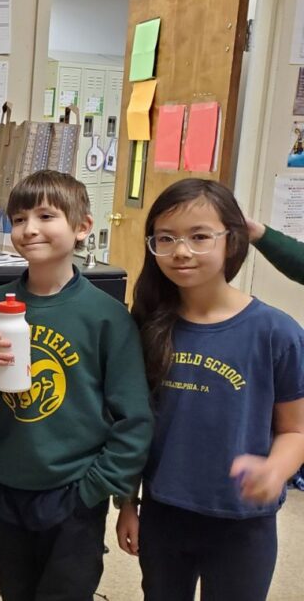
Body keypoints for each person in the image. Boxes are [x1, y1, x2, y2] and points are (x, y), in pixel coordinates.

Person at [0, 170, 152, 601]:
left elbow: (134, 419)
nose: (29, 229)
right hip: (7, 483)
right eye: (17, 219)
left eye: (46, 215)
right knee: (16, 590)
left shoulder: (106, 317)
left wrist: (97, 488)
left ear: (82, 226)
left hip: (73, 490)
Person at [119, 178, 304, 600]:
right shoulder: (148, 324)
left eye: (200, 237)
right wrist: (128, 504)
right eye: (165, 238)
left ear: (232, 242)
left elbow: (295, 430)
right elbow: (132, 425)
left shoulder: (275, 331)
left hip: (243, 523)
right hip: (164, 514)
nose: (181, 251)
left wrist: (275, 470)